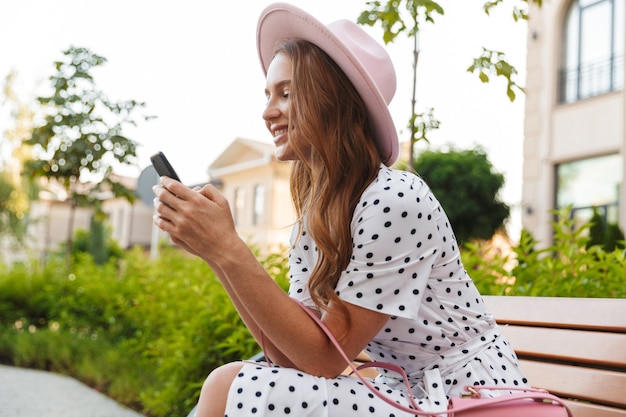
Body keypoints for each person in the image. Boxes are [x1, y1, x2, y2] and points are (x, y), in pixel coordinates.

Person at [152, 2, 529, 416]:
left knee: (229, 383)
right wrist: (214, 252)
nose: (267, 111)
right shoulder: (318, 215)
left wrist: (228, 248)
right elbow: (291, 356)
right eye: (267, 94)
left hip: (474, 398)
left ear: (331, 99)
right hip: (406, 391)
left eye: (286, 93)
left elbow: (325, 358)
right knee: (237, 381)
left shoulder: (395, 198)